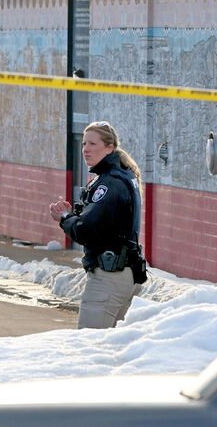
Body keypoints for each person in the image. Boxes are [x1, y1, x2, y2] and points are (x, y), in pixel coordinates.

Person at [49, 121, 146, 329]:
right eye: (84, 143)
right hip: (123, 274)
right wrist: (75, 214)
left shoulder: (109, 182)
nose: (85, 149)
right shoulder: (122, 175)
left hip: (109, 278)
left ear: (110, 147)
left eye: (92, 143)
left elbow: (87, 231)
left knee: (89, 346)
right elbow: (107, 223)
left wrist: (65, 218)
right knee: (109, 348)